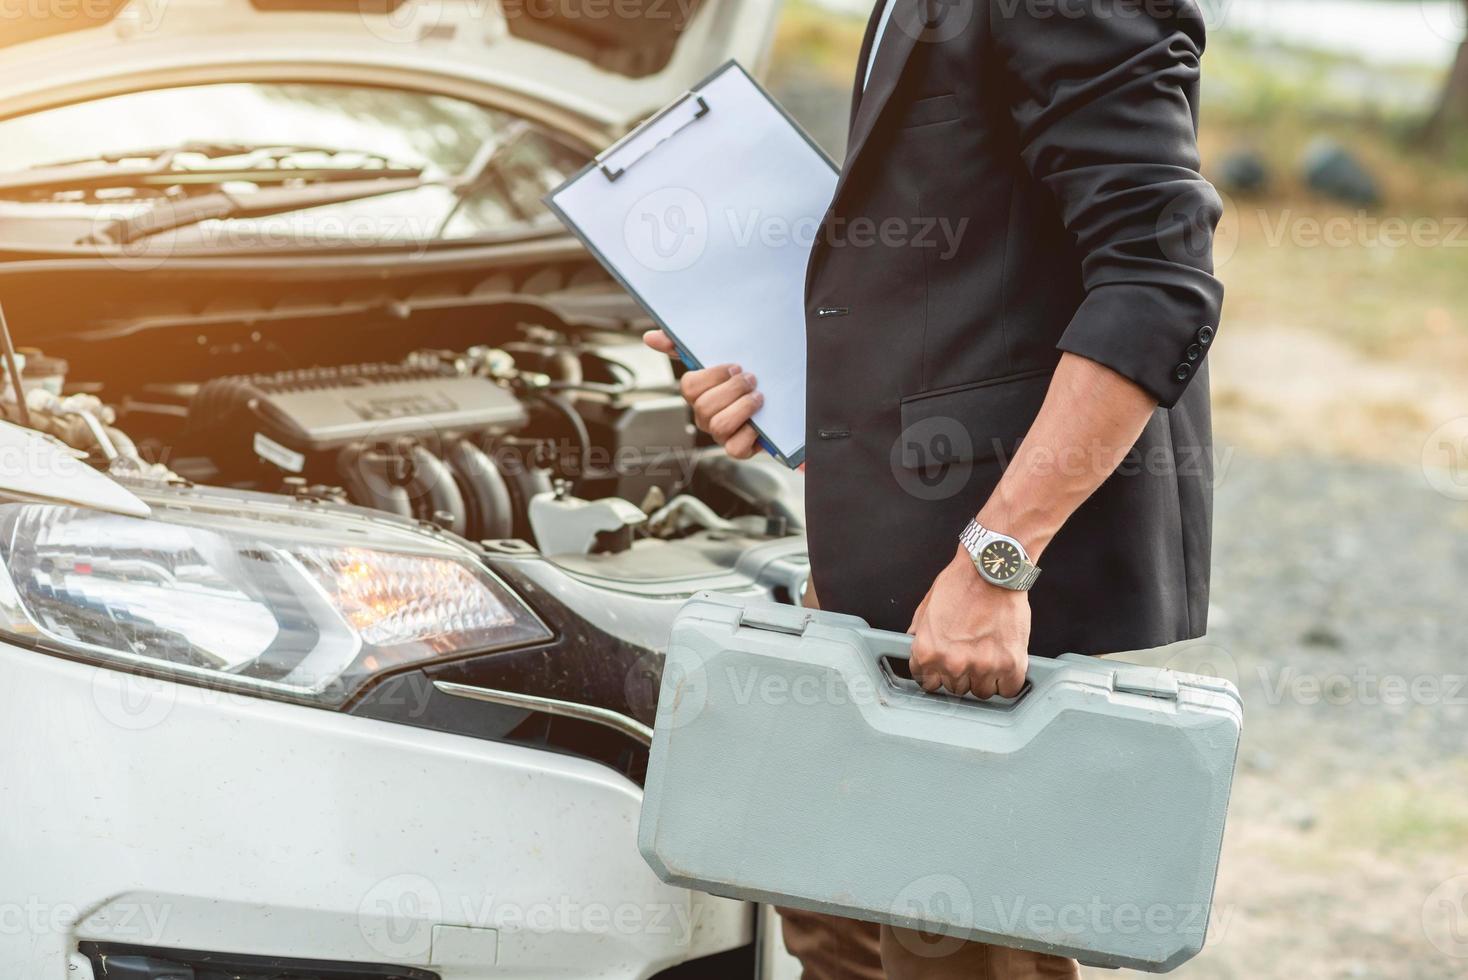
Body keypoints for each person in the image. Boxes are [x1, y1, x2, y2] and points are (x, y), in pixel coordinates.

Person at [645, 0, 1224, 976]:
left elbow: (1157, 284)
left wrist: (996, 563)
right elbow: (964, 267)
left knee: (947, 953)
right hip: (869, 580)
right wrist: (793, 385)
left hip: (973, 609)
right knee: (835, 931)